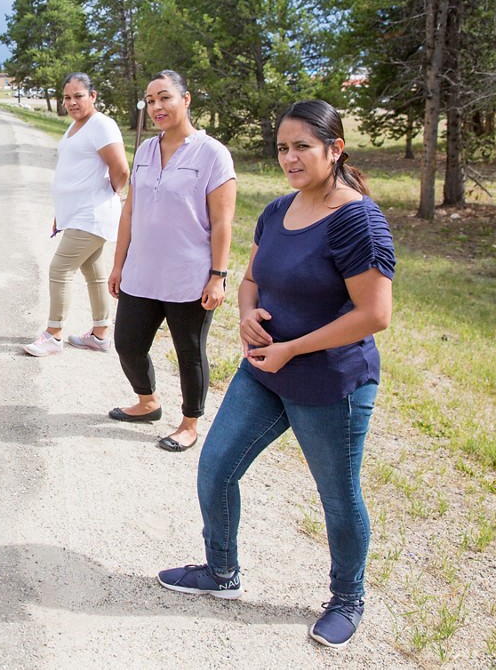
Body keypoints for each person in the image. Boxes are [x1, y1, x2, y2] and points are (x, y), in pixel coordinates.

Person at [157, 100, 396, 651]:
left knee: (337, 496)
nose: (290, 158)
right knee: (216, 469)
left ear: (335, 150)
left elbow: (374, 314)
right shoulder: (278, 209)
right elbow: (250, 280)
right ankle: (221, 573)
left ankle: (347, 598)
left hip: (330, 382)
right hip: (266, 370)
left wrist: (293, 348)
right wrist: (245, 314)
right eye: (283, 147)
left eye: (302, 147)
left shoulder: (357, 219)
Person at [104, 70, 236, 453]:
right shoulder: (145, 150)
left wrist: (218, 276)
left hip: (189, 276)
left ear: (186, 99)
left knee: (189, 351)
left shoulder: (212, 154)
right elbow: (130, 211)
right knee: (127, 343)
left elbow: (223, 221)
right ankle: (147, 402)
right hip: (142, 271)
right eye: (150, 100)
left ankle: (190, 423)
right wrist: (118, 265)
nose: (157, 106)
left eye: (165, 97)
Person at [23, 72, 129, 357]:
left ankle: (53, 335)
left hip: (92, 215)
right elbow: (73, 173)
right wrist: (63, 212)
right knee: (93, 273)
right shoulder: (75, 127)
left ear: (93, 96)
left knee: (59, 270)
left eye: (78, 96)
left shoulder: (101, 125)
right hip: (79, 215)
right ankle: (100, 334)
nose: (72, 102)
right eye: (67, 97)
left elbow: (120, 169)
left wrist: (110, 194)